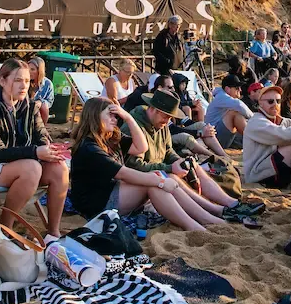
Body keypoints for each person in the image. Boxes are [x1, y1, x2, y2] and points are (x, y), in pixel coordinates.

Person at [69, 97, 230, 231]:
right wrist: (161, 181)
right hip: (96, 203)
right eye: (110, 115)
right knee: (155, 183)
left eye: (115, 115)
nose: (115, 119)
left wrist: (129, 117)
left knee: (160, 178)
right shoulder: (89, 147)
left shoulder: (109, 138)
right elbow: (124, 173)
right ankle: (195, 226)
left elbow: (141, 147)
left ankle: (212, 213)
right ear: (95, 116)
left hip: (112, 192)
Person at [122, 89, 262, 226]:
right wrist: (170, 167)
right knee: (171, 177)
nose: (167, 121)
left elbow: (168, 151)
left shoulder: (160, 123)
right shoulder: (133, 128)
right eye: (165, 116)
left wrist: (179, 162)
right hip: (142, 180)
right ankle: (215, 212)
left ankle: (231, 204)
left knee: (192, 165)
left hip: (157, 173)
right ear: (152, 109)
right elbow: (134, 166)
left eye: (170, 117)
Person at [0, 59, 67, 239]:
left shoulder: (30, 106)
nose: (24, 85)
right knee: (32, 168)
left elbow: (40, 135)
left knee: (59, 168)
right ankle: (5, 228)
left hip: (19, 165)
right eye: (17, 80)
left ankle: (53, 232)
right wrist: (34, 152)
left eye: (26, 80)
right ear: (2, 81)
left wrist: (47, 149)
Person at [205, 74, 251, 149]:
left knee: (238, 115)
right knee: (234, 113)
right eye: (237, 88)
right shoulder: (221, 96)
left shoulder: (223, 97)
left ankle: (255, 140)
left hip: (219, 135)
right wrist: (254, 118)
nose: (240, 90)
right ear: (227, 89)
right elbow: (239, 105)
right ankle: (255, 139)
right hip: (214, 139)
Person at [27, 56, 53, 122]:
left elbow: (50, 101)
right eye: (28, 69)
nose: (29, 72)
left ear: (39, 71)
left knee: (44, 106)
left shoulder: (47, 83)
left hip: (39, 109)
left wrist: (41, 102)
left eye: (32, 69)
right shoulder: (25, 81)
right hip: (25, 106)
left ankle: (42, 129)